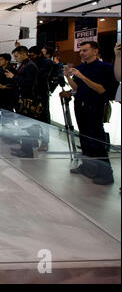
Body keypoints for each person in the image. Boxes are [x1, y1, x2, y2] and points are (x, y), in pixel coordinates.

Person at [60, 41, 118, 185]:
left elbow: (101, 90)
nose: (82, 53)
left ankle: (106, 174)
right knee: (84, 138)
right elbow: (77, 88)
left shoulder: (106, 68)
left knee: (97, 139)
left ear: (95, 51)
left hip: (95, 106)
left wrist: (82, 76)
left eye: (85, 50)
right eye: (81, 51)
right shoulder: (81, 67)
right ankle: (87, 166)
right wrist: (68, 77)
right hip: (80, 105)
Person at [5, 46, 40, 158]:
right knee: (23, 125)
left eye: (16, 56)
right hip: (22, 99)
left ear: (23, 53)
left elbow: (28, 82)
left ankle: (27, 151)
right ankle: (24, 148)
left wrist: (13, 76)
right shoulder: (25, 65)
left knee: (27, 126)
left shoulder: (30, 66)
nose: (15, 58)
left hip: (28, 100)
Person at [28, 46, 53, 151]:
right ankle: (33, 140)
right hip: (32, 93)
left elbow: (39, 75)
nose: (30, 57)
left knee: (44, 119)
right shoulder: (33, 62)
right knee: (31, 118)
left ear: (38, 54)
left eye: (32, 55)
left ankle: (45, 142)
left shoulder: (47, 62)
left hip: (42, 94)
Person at [0, 53, 18, 118]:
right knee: (2, 112)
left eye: (1, 60)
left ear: (7, 61)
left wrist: (3, 86)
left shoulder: (11, 70)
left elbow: (14, 83)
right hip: (1, 94)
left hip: (9, 96)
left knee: (8, 113)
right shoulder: (1, 69)